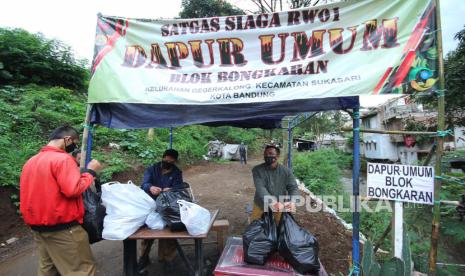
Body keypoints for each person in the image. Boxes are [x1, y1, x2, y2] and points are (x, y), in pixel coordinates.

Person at [20, 126, 102, 276]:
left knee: (49, 269)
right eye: (75, 143)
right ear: (67, 140)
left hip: (39, 228)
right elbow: (73, 190)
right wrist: (90, 172)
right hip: (63, 228)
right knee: (81, 270)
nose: (74, 147)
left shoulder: (31, 161)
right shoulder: (63, 159)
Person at [138, 149, 184, 272]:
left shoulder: (176, 172)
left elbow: (179, 187)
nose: (168, 162)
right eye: (166, 159)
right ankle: (143, 257)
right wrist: (151, 187)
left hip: (168, 205)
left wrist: (171, 189)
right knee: (147, 233)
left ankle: (167, 259)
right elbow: (144, 184)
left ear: (174, 161)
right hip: (151, 203)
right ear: (163, 158)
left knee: (169, 232)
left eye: (171, 160)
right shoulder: (152, 169)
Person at [250, 145, 299, 223]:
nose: (267, 155)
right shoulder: (257, 170)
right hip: (261, 204)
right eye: (265, 154)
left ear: (278, 156)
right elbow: (260, 188)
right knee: (255, 226)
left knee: (277, 226)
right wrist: (273, 202)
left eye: (270, 153)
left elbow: (293, 188)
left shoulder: (286, 171)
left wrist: (293, 202)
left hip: (279, 205)